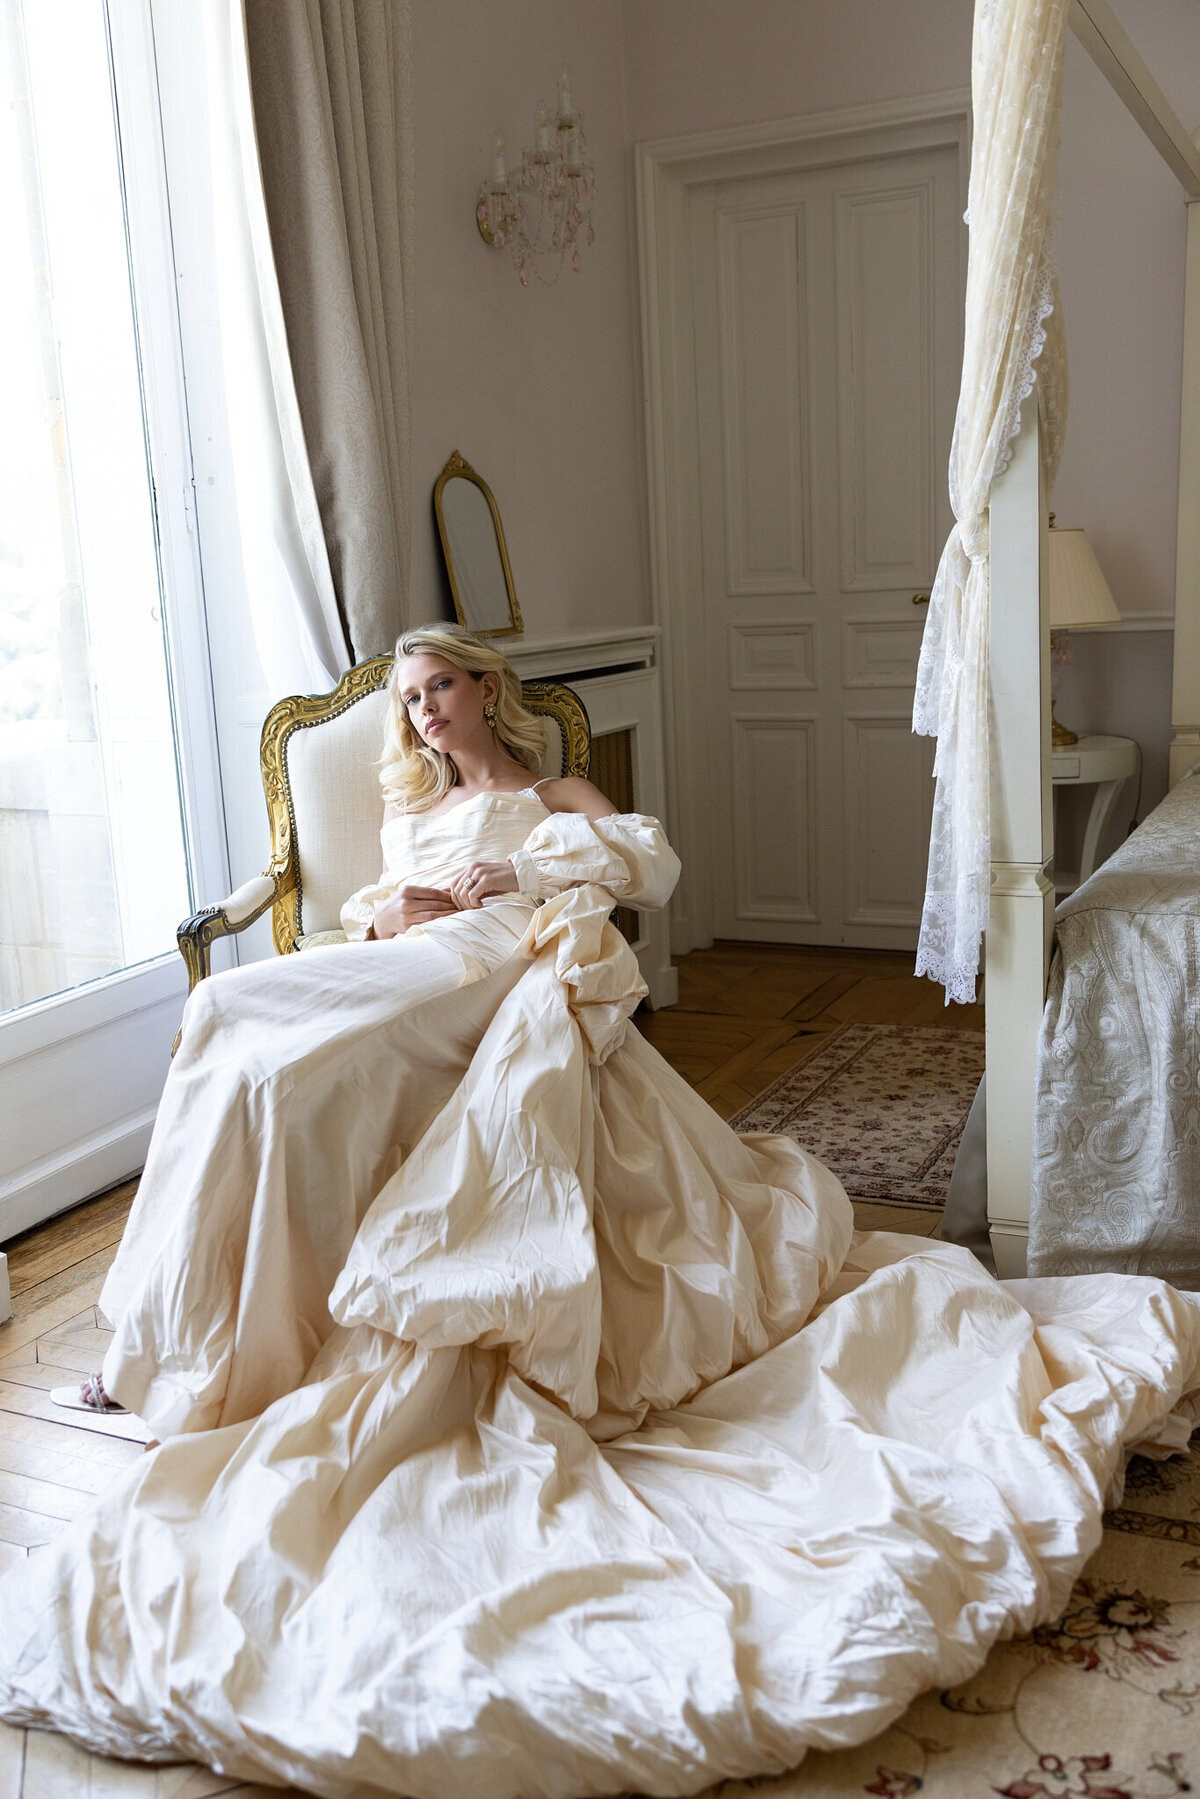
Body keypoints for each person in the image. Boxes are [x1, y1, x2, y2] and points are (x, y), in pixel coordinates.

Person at [3, 622, 1200, 1799]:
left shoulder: (553, 789)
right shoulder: (410, 809)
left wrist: (520, 870)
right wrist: (387, 912)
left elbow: (648, 866)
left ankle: (218, 1332)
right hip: (416, 954)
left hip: (499, 958)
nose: (422, 710)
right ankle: (169, 1335)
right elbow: (370, 904)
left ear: (484, 689)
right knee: (226, 1023)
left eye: (438, 687)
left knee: (268, 1054)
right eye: (410, 697)